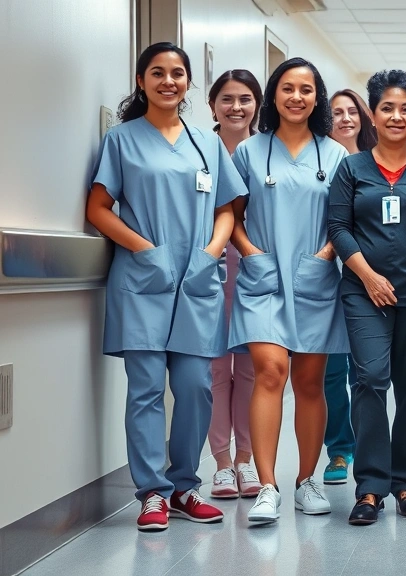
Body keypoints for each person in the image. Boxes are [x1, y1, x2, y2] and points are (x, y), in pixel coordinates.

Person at [85, 42, 245, 531]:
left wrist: (211, 252)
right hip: (142, 280)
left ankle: (185, 486)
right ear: (142, 81)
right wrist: (145, 250)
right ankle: (152, 494)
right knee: (147, 390)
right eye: (157, 72)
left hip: (196, 280)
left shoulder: (206, 142)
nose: (168, 81)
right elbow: (97, 209)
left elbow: (226, 209)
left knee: (196, 387)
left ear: (189, 83)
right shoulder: (123, 140)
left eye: (178, 73)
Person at [327, 69, 406, 526]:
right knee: (370, 379)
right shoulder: (352, 168)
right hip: (365, 294)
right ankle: (370, 488)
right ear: (373, 115)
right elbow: (339, 228)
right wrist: (367, 276)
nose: (398, 116)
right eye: (388, 108)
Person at [228, 57, 349, 525]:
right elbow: (231, 215)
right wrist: (250, 253)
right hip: (263, 279)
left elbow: (344, 221)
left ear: (316, 97)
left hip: (315, 279)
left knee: (309, 382)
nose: (297, 97)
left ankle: (306, 480)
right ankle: (267, 485)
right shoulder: (248, 152)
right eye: (287, 88)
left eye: (306, 89)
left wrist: (324, 256)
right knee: (271, 371)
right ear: (273, 96)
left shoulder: (334, 155)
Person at [206, 69, 263, 500]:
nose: (236, 107)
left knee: (249, 367)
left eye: (245, 99)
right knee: (213, 369)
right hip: (207, 267)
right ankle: (222, 464)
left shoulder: (265, 152)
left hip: (252, 268)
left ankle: (247, 461)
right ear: (212, 106)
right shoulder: (199, 149)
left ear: (257, 106)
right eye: (227, 99)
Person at [321, 88, 377, 486]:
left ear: (364, 117)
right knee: (329, 370)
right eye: (335, 112)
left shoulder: (377, 163)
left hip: (368, 279)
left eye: (351, 111)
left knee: (367, 372)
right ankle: (340, 449)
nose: (344, 118)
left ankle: (371, 450)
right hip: (323, 276)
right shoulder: (318, 157)